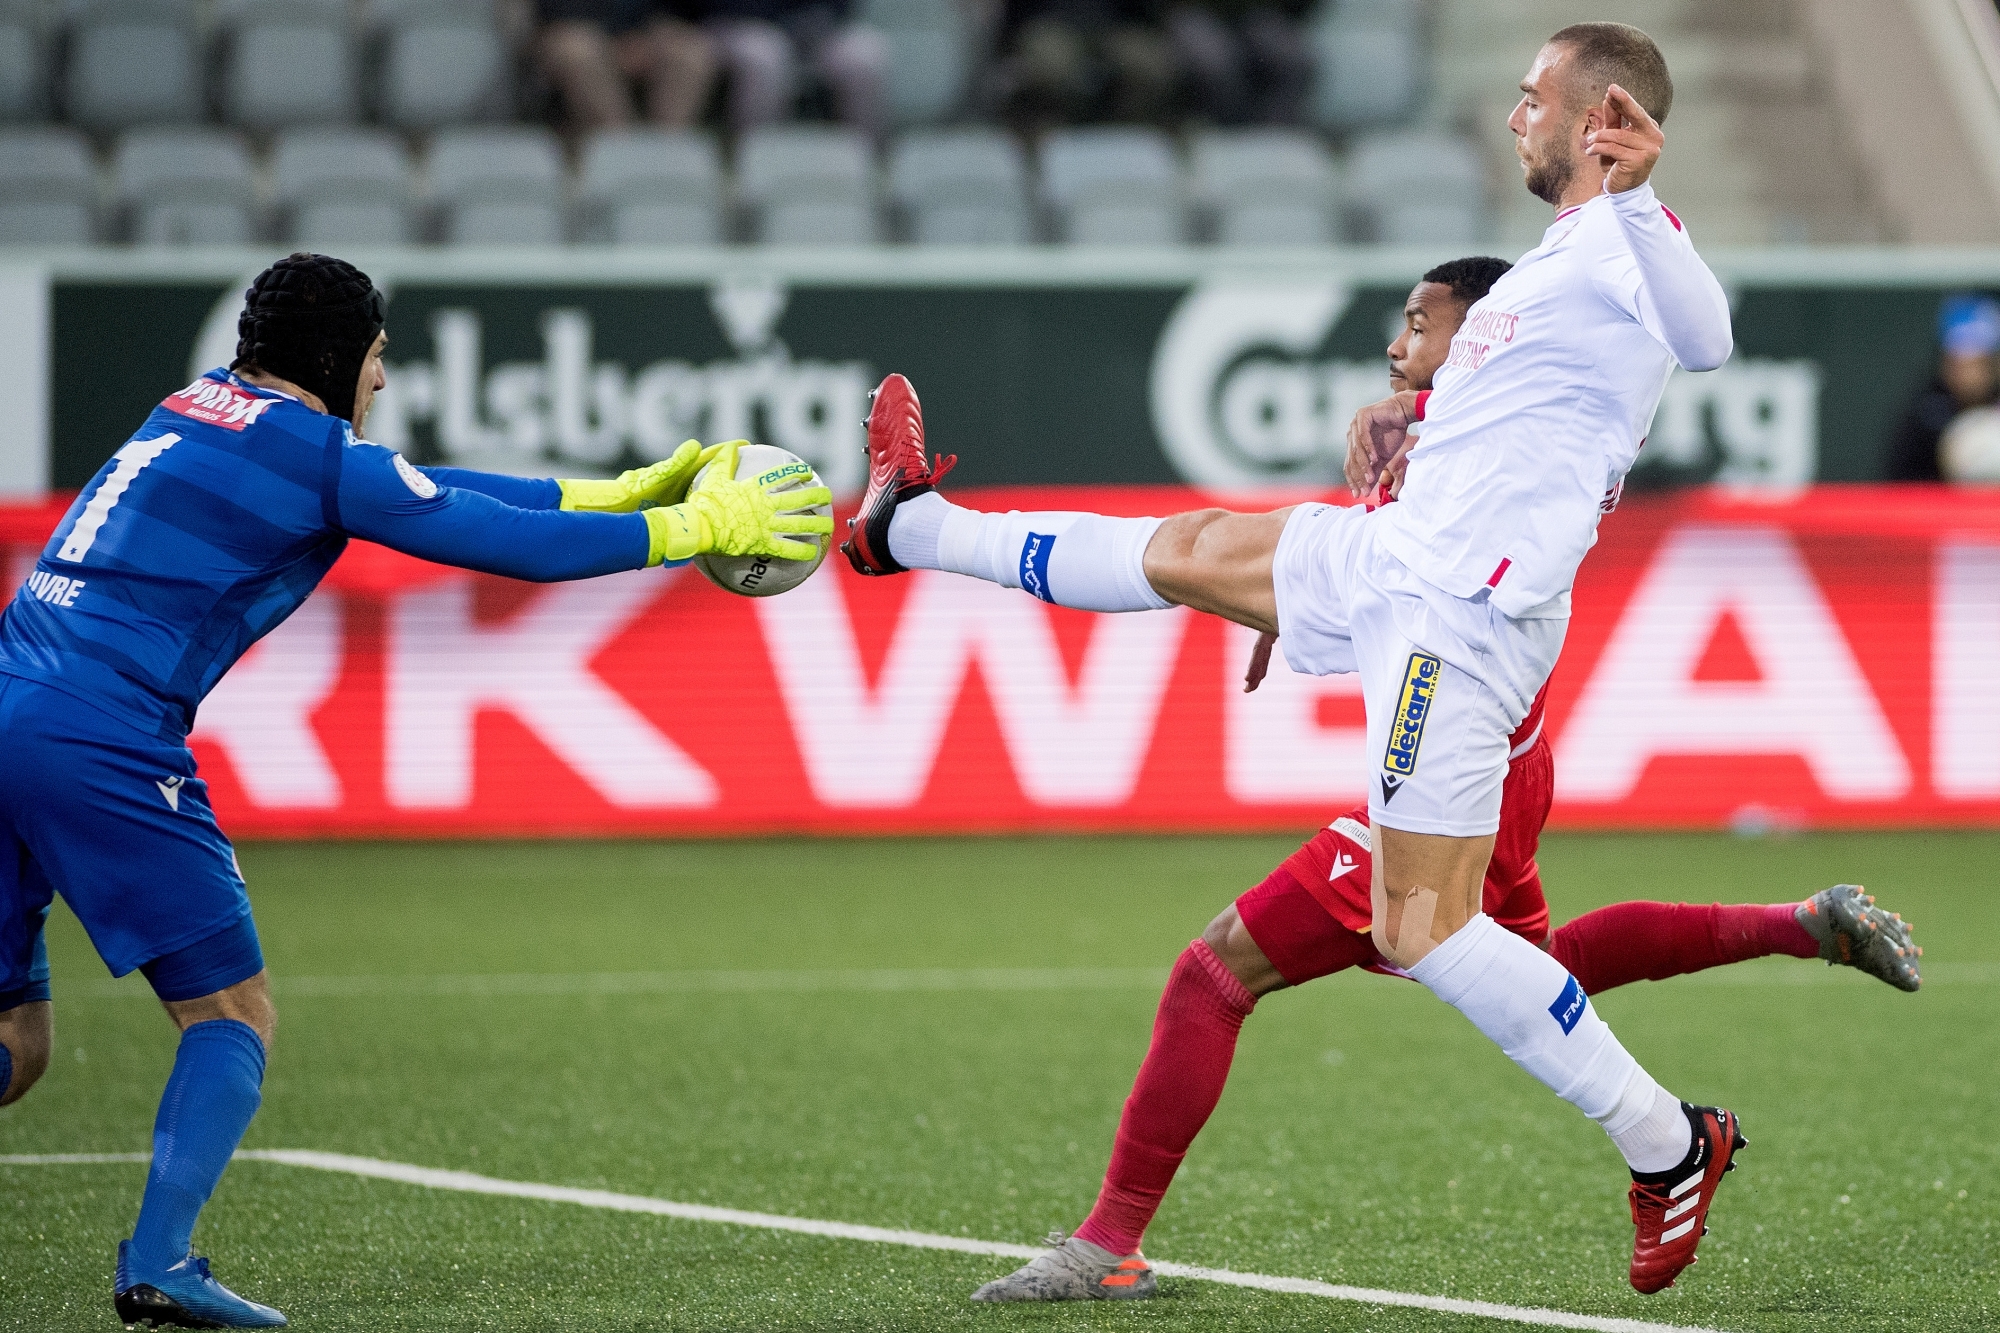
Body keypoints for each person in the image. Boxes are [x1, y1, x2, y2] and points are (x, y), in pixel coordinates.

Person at [845, 22, 1751, 1297]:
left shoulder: (1623, 243)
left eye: (1531, 96)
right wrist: (1410, 436)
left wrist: (1640, 191)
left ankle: (1668, 1144)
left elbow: (1706, 337)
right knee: (1185, 547)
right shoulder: (1554, 264)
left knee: (1424, 929)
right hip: (1388, 564)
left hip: (1457, 619)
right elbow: (1512, 423)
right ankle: (905, 525)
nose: (1511, 117)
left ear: (1599, 113)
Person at [957, 255, 1918, 1303]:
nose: (1395, 344)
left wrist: (1333, 538)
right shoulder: (1448, 429)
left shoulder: (1459, 428)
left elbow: (1410, 534)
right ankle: (1796, 923)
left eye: (1419, 324)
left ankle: (1106, 1245)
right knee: (1531, 964)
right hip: (1508, 746)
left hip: (1461, 732)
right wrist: (1303, 592)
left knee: (1219, 971)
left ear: (1484, 336)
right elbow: (1382, 545)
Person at [0, 253, 829, 1330]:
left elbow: (443, 494)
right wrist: (691, 529)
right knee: (231, 1014)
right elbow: (497, 543)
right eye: (379, 359)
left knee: (17, 1044)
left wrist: (618, 490)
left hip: (13, 698)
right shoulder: (314, 457)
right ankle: (160, 1259)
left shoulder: (198, 407)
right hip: (102, 733)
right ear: (341, 356)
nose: (382, 383)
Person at [701, 0, 889, 133]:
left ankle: (863, 165)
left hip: (811, 28)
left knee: (864, 55)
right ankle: (749, 160)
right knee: (764, 55)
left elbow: (840, 7)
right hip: (737, 25)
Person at [536, 0, 719, 129]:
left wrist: (645, 37)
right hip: (581, 30)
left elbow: (685, 10)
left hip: (647, 32)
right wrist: (615, 41)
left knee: (691, 52)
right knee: (577, 51)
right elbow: (554, 11)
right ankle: (618, 144)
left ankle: (667, 148)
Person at [1885, 292, 2000, 482]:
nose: (1967, 374)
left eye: (1977, 363)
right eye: (1957, 363)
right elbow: (1900, 484)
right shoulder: (1925, 412)